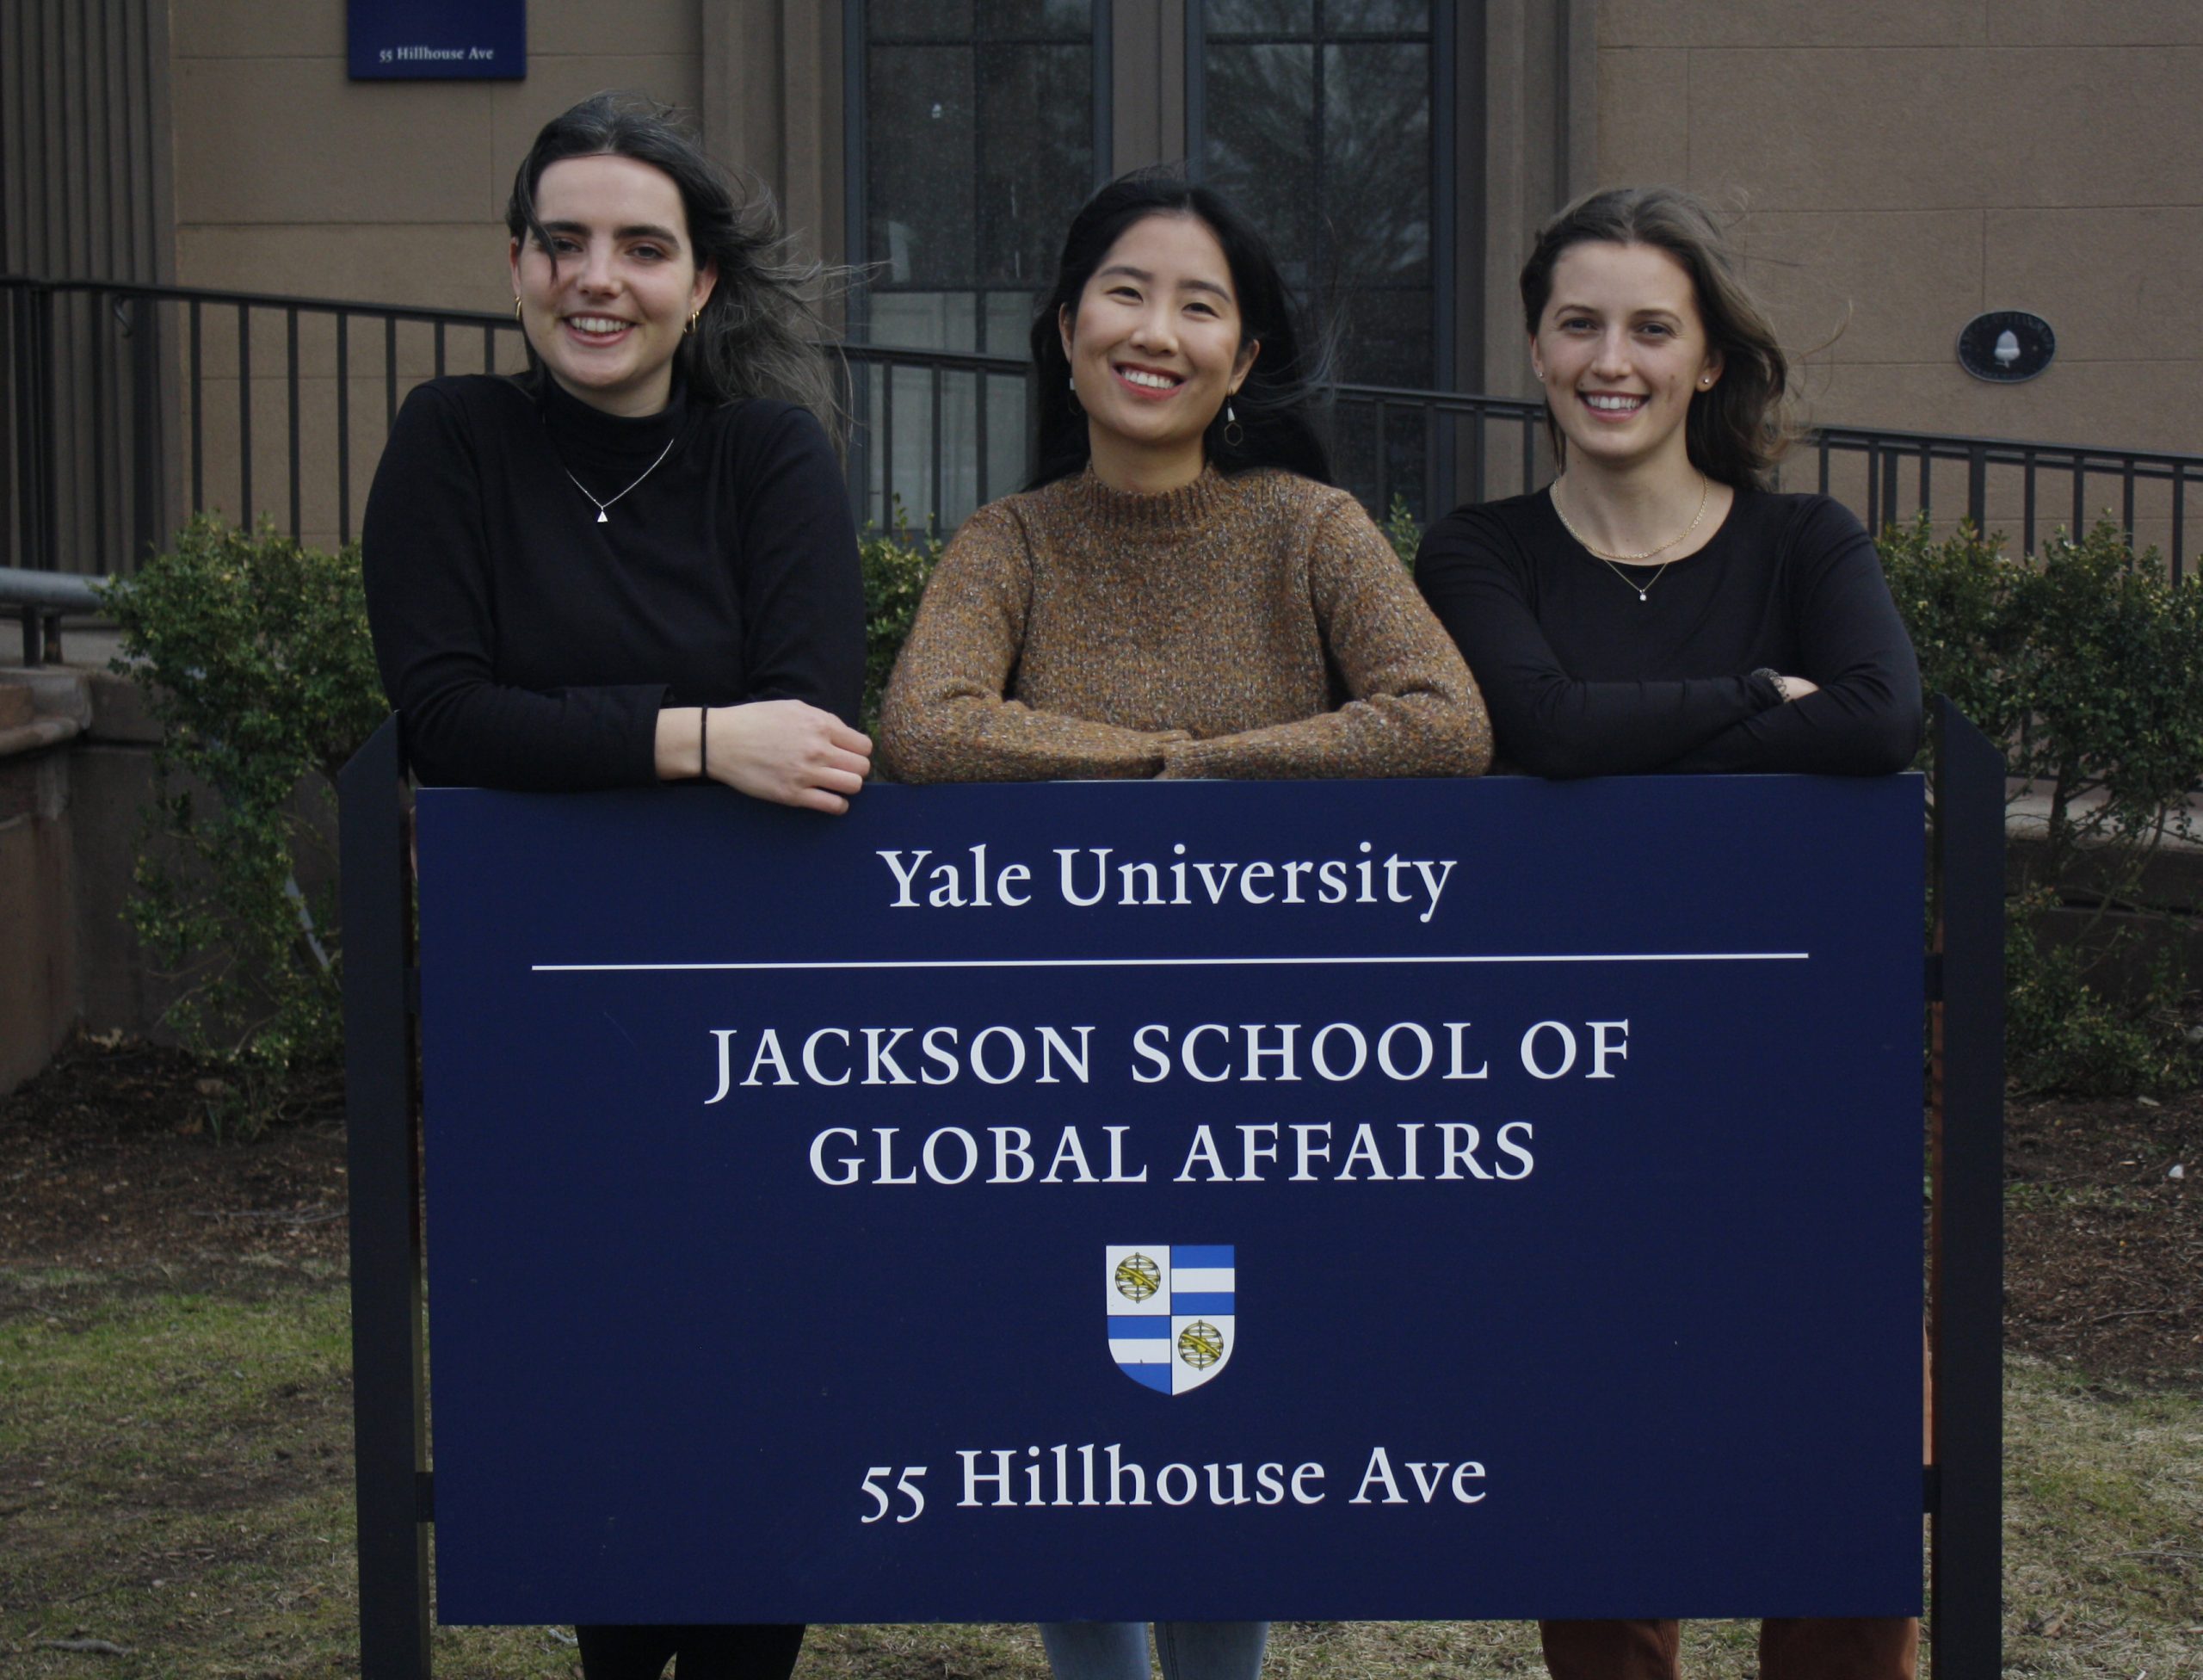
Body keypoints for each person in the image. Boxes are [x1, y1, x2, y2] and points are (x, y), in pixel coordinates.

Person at [879, 170, 1492, 1680]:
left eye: (1199, 306)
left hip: (1268, 1076)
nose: (1156, 331)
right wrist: (1174, 762)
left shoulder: (1309, 530)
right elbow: (929, 727)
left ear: (1245, 356)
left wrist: (1197, 768)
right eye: (1125, 292)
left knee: (1230, 1431)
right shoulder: (1009, 542)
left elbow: (1442, 719)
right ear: (1066, 327)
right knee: (1068, 1426)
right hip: (1049, 1084)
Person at [361, 91, 869, 1680]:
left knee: (754, 1405)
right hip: (545, 1020)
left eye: (642, 248)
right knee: (592, 1404)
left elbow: (815, 728)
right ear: (517, 262)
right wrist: (701, 737)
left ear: (700, 284)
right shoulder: (453, 441)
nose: (598, 277)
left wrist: (602, 742)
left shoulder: (767, 458)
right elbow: (444, 717)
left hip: (753, 1021)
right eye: (563, 241)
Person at [1414, 186, 1923, 1680]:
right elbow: (1542, 729)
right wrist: (1762, 701)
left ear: (1707, 359)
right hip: (1576, 1093)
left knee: (1834, 1496)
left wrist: (1622, 743)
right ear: (1535, 347)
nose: (1611, 359)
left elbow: (1879, 721)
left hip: (1795, 1082)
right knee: (1609, 1507)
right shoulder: (1480, 553)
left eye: (1652, 328)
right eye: (1579, 324)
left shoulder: (1806, 542)